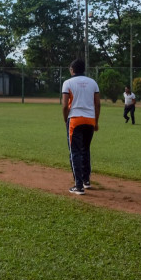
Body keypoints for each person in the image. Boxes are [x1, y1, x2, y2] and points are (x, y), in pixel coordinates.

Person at [61, 59, 100, 195]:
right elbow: (97, 104)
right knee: (85, 150)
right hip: (89, 120)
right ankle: (86, 181)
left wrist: (66, 119)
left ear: (72, 69)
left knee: (75, 152)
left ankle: (78, 186)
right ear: (83, 69)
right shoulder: (93, 82)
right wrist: (96, 121)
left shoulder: (68, 83)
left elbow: (65, 105)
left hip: (75, 120)